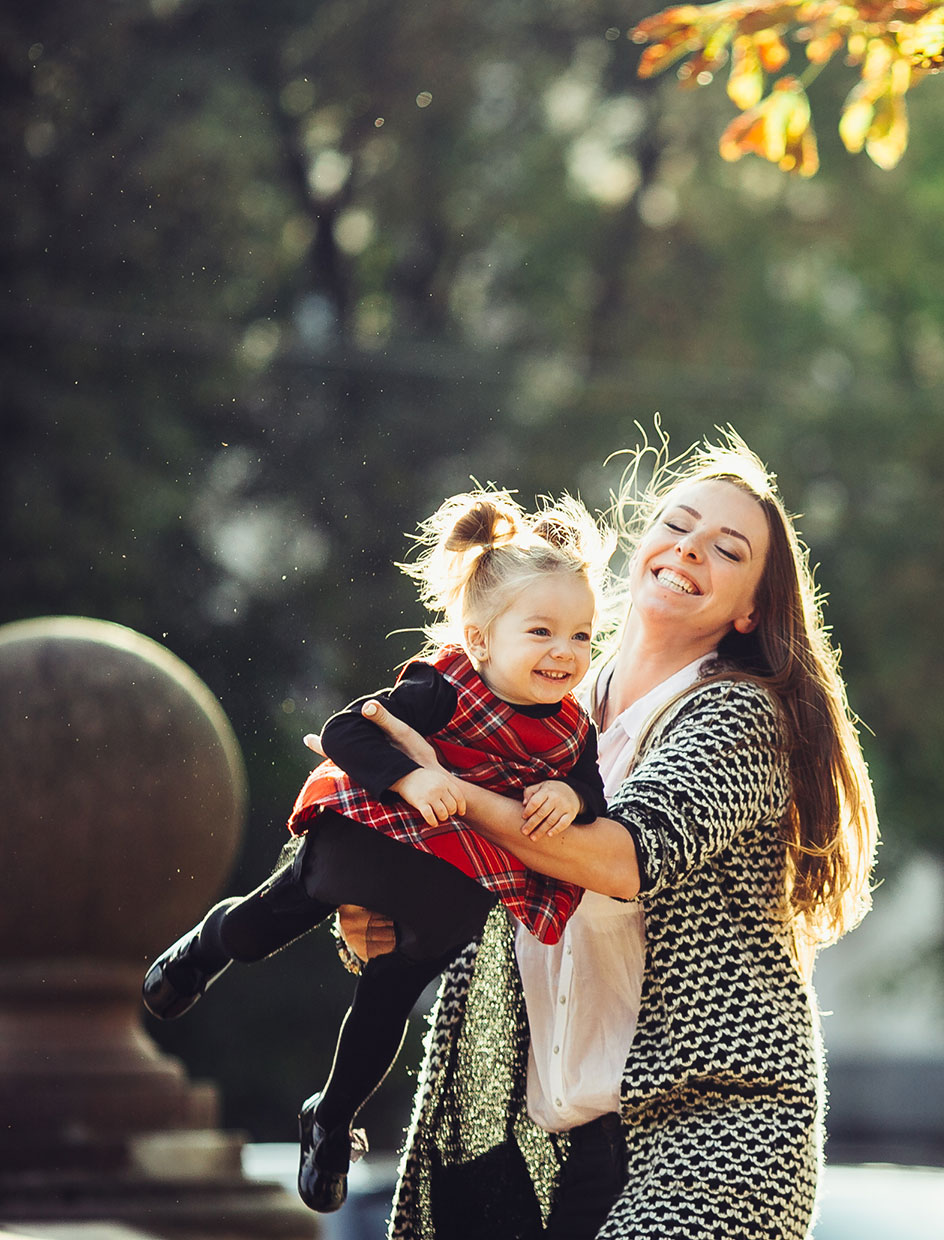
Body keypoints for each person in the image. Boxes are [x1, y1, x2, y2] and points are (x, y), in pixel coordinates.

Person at [332, 436, 877, 1240]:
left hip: (713, 1129)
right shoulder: (541, 702)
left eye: (726, 549)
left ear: (749, 609)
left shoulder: (740, 713)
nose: (690, 548)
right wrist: (376, 920)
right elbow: (457, 879)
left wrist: (450, 792)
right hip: (547, 1140)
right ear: (643, 546)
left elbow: (621, 857)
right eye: (677, 525)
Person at [142, 490, 613, 1214]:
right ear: (482, 639)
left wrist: (572, 799)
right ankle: (205, 947)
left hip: (450, 885)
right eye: (542, 631)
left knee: (385, 1005)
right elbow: (343, 733)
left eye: (581, 636)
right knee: (266, 924)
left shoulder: (571, 730)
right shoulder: (442, 683)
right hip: (372, 840)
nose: (565, 652)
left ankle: (331, 1121)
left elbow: (593, 795)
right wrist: (418, 773)